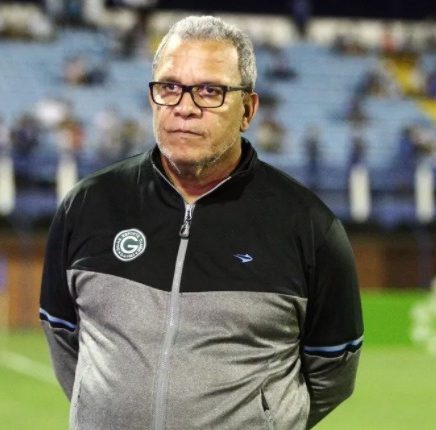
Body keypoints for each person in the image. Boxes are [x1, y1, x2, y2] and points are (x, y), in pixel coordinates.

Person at [40, 15, 363, 430]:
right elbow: (63, 336)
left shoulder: (309, 226)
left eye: (210, 91)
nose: (185, 107)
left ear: (248, 110)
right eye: (169, 87)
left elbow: (333, 369)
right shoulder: (88, 205)